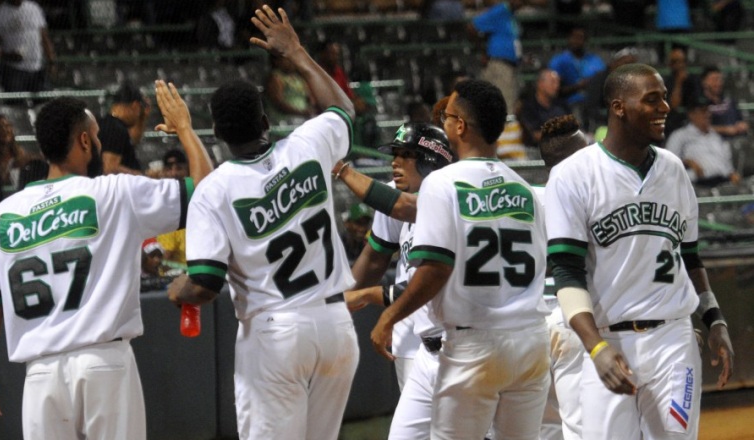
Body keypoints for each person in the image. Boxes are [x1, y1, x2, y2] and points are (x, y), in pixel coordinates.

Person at [0, 80, 213, 439]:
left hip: (41, 376)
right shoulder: (114, 192)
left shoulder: (3, 216)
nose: (101, 143)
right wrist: (184, 127)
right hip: (104, 364)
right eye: (97, 135)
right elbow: (206, 191)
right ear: (85, 141)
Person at [166, 6, 359, 440]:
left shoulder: (214, 190)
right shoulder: (307, 144)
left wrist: (179, 289)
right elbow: (344, 109)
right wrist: (297, 53)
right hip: (335, 327)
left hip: (275, 332)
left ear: (218, 133)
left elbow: (205, 284)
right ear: (267, 121)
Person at [544, 63, 734, 439]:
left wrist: (714, 319)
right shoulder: (573, 174)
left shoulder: (674, 169)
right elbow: (566, 271)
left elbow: (691, 258)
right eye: (652, 99)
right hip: (607, 338)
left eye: (664, 97)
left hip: (673, 340)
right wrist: (595, 347)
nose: (665, 107)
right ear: (619, 107)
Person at [371, 78, 551, 439]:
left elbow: (435, 269)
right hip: (530, 340)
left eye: (448, 115)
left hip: (475, 342)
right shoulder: (526, 189)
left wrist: (389, 316)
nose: (445, 120)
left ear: (460, 126)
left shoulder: (442, 183)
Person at [343, 122, 456, 439]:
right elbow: (375, 257)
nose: (395, 162)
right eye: (395, 154)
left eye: (406, 155)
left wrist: (342, 170)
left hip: (459, 334)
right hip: (413, 331)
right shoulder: (396, 199)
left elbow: (431, 280)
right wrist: (339, 300)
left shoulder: (450, 199)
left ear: (430, 160)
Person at [536, 115, 588, 440]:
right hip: (573, 321)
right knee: (583, 429)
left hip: (527, 329)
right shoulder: (585, 198)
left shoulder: (523, 196)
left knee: (544, 431)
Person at [665, 98, 740, 187]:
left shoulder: (715, 136)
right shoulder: (680, 135)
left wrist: (732, 173)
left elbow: (727, 163)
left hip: (724, 182)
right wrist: (686, 162)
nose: (707, 114)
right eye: (703, 111)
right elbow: (668, 164)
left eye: (708, 111)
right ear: (691, 114)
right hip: (698, 184)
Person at [0, 0, 56, 94]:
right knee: (16, 105)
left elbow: (44, 37)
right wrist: (8, 56)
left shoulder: (34, 8)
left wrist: (51, 60)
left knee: (43, 102)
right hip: (13, 69)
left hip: (37, 67)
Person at [469, 0, 526, 114]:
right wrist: (482, 51)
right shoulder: (500, 11)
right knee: (504, 106)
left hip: (511, 66)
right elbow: (472, 27)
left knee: (511, 104)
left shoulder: (512, 14)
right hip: (500, 65)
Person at [548, 26, 606, 110]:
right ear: (568, 39)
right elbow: (555, 89)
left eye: (580, 38)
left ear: (586, 40)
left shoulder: (595, 60)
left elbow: (603, 80)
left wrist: (593, 82)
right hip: (566, 104)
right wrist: (578, 86)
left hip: (594, 102)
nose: (576, 41)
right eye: (574, 37)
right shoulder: (558, 61)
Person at [99, 82, 151, 175]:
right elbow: (109, 168)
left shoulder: (110, 124)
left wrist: (143, 118)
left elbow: (133, 140)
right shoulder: (115, 128)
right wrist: (141, 176)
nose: (137, 116)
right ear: (135, 106)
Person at [519, 68, 572, 147]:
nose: (557, 86)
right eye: (553, 82)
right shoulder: (529, 107)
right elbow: (534, 134)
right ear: (540, 84)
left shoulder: (562, 106)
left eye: (558, 82)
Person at [264, 52, 316, 124]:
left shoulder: (298, 78)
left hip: (303, 118)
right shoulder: (276, 77)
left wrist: (310, 108)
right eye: (287, 59)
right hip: (285, 121)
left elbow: (309, 97)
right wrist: (300, 112)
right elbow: (278, 104)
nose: (291, 61)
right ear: (276, 61)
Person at [663, 47, 702, 139]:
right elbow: (674, 105)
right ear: (670, 64)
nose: (680, 65)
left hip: (692, 123)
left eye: (682, 61)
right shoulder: (667, 82)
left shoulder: (694, 80)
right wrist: (679, 83)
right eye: (675, 61)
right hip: (673, 123)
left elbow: (698, 104)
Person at [701, 66, 749, 139]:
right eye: (714, 79)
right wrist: (725, 130)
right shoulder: (699, 103)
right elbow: (698, 128)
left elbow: (742, 120)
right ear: (704, 81)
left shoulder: (729, 100)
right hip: (712, 144)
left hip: (737, 142)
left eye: (720, 80)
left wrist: (742, 125)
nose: (718, 83)